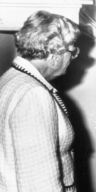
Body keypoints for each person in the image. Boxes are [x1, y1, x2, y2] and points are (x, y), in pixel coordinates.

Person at [0, 10, 80, 192]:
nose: (73, 57)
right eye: (72, 50)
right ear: (54, 57)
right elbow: (40, 184)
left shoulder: (9, 78)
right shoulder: (34, 94)